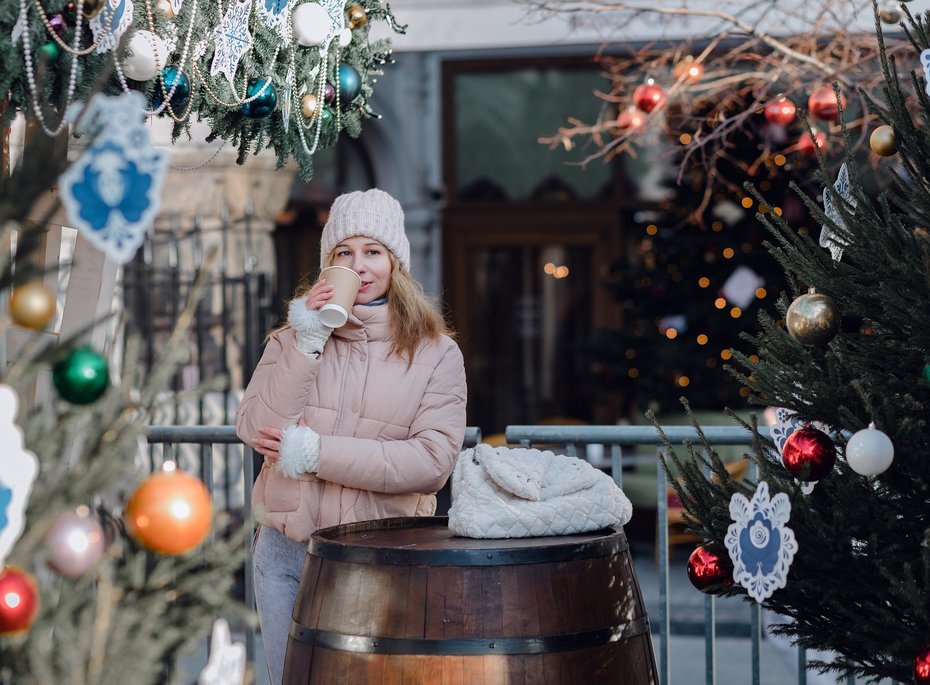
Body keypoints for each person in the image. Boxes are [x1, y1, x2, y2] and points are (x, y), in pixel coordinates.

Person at [236, 188, 467, 684]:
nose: (358, 266)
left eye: (373, 252)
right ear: (327, 265)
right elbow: (256, 428)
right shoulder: (290, 340)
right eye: (344, 253)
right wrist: (308, 339)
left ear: (395, 263)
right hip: (285, 552)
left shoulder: (436, 353)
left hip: (379, 556)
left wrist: (316, 452)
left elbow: (430, 462)